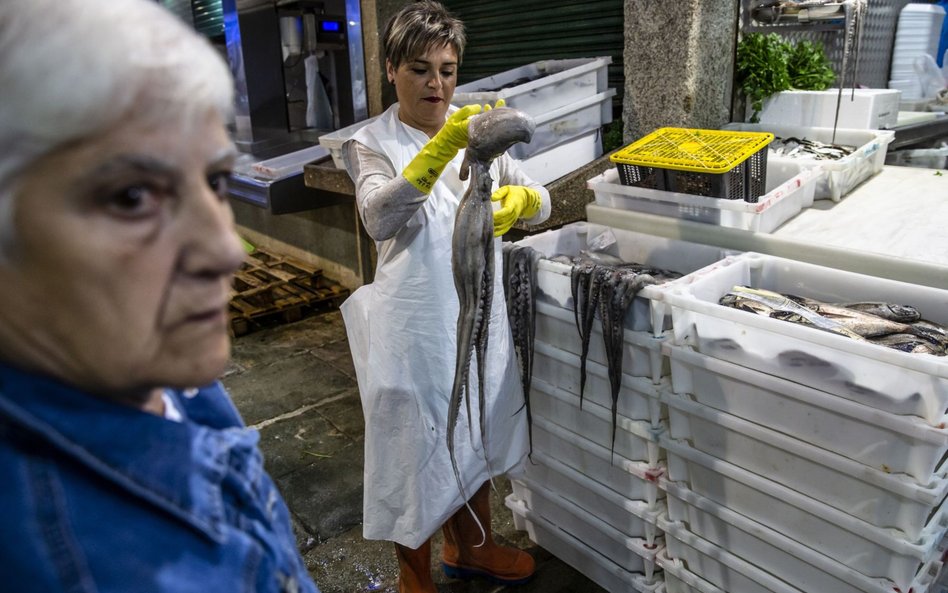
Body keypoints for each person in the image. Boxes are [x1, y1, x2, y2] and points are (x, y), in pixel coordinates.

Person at [0, 2, 320, 592]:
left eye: (215, 181)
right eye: (130, 197)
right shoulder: (83, 569)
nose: (227, 249)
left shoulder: (144, 364)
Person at [340, 1, 551, 591]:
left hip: (475, 310)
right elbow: (378, 218)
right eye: (420, 70)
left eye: (448, 69)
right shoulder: (371, 141)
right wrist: (437, 153)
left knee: (473, 427)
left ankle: (472, 550)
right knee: (410, 444)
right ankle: (415, 577)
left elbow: (545, 196)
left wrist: (523, 204)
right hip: (411, 320)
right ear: (390, 70)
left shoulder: (480, 131)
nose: (437, 84)